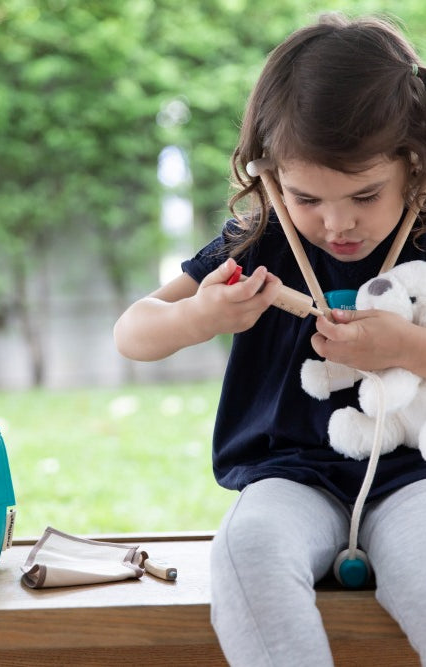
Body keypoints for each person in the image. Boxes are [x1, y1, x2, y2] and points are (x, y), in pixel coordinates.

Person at [113, 12, 426, 666]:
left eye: (365, 195)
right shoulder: (259, 241)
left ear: (414, 165)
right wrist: (199, 317)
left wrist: (403, 348)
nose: (336, 223)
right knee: (246, 548)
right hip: (289, 477)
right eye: (306, 196)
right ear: (269, 175)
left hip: (415, 480)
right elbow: (132, 332)